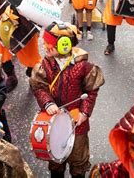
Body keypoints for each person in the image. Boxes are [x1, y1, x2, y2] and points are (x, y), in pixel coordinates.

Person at [30, 21, 105, 178]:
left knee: (78, 157)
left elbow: (91, 91)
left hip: (77, 120)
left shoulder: (83, 66)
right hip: (54, 119)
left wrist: (84, 112)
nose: (44, 47)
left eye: (48, 43)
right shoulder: (45, 64)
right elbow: (39, 87)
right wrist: (47, 103)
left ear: (64, 45)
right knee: (55, 158)